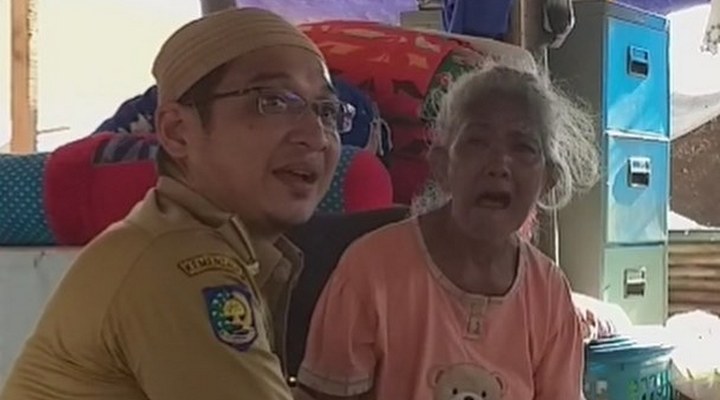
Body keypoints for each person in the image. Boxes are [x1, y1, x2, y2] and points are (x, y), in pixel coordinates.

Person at [0, 7, 355, 400]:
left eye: (326, 111)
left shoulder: (184, 240)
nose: (316, 137)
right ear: (176, 131)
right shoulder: (181, 265)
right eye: (272, 102)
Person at [296, 64, 600, 400]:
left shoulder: (549, 294)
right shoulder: (370, 270)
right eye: (477, 142)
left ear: (547, 181)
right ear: (442, 165)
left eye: (523, 147)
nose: (499, 165)